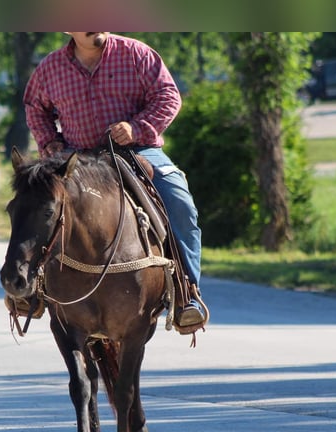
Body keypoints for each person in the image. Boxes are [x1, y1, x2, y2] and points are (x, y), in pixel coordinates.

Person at [23, 32, 205, 331]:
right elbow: (35, 108)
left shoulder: (136, 53)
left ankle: (187, 295)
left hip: (136, 151)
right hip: (76, 157)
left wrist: (137, 128)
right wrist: (50, 143)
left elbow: (168, 96)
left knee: (181, 204)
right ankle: (28, 288)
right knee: (33, 201)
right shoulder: (50, 68)